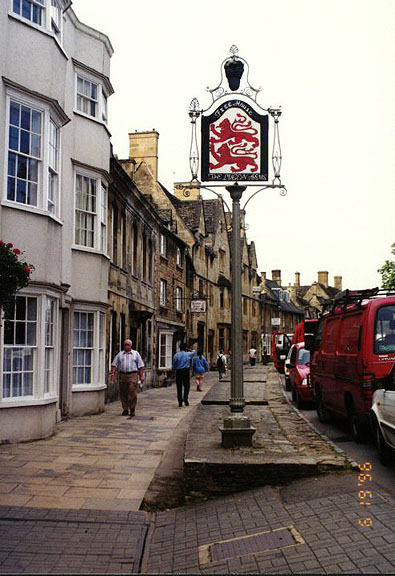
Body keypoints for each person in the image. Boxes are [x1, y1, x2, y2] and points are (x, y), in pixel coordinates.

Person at [110, 339, 145, 418]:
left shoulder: (135, 354)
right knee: (123, 392)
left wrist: (141, 376)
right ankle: (125, 408)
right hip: (122, 375)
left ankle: (132, 408)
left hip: (132, 374)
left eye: (128, 345)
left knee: (132, 391)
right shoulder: (120, 354)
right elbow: (114, 364)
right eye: (125, 344)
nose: (126, 346)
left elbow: (140, 366)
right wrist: (112, 373)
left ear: (131, 346)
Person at [172, 343, 196, 407]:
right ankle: (185, 398)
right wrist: (189, 350)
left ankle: (180, 402)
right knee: (187, 386)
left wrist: (175, 369)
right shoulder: (188, 354)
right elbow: (194, 352)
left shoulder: (176, 355)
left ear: (179, 348)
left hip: (179, 371)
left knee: (179, 387)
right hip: (186, 371)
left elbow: (174, 365)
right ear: (185, 348)